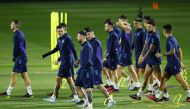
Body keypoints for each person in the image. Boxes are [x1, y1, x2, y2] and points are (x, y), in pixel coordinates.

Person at [146, 24, 190, 102]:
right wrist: (180, 61)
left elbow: (172, 52)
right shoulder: (174, 39)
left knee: (181, 80)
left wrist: (161, 54)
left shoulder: (169, 40)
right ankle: (157, 96)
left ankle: (189, 96)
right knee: (163, 79)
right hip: (170, 65)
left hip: (173, 65)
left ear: (164, 31)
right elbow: (180, 51)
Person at [42, 24, 80, 103]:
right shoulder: (59, 39)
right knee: (69, 80)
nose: (60, 33)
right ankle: (76, 97)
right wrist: (46, 55)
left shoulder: (67, 38)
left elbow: (73, 49)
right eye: (58, 31)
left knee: (58, 79)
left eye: (61, 31)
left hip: (67, 62)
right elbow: (57, 49)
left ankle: (53, 97)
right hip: (65, 61)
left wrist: (76, 59)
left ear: (64, 31)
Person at [0, 20, 33, 98]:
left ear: (15, 25)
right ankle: (30, 93)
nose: (10, 25)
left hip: (20, 57)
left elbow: (16, 47)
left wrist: (14, 56)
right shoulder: (21, 33)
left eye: (12, 24)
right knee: (24, 75)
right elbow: (24, 45)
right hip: (23, 56)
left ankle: (8, 93)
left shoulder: (16, 35)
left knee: (14, 74)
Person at [84, 27, 116, 107]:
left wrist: (92, 65)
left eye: (89, 34)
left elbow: (95, 56)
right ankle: (88, 102)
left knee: (98, 85)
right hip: (91, 66)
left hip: (95, 66)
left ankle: (110, 99)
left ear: (92, 33)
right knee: (86, 84)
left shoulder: (95, 42)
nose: (87, 36)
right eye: (86, 35)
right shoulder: (89, 42)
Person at [75, 31, 94, 109]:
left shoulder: (87, 46)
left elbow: (88, 61)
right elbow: (84, 57)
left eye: (78, 36)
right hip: (82, 70)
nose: (77, 38)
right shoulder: (83, 46)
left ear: (83, 37)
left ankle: (90, 105)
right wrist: (79, 61)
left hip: (86, 71)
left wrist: (81, 68)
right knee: (77, 86)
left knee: (87, 88)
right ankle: (86, 101)